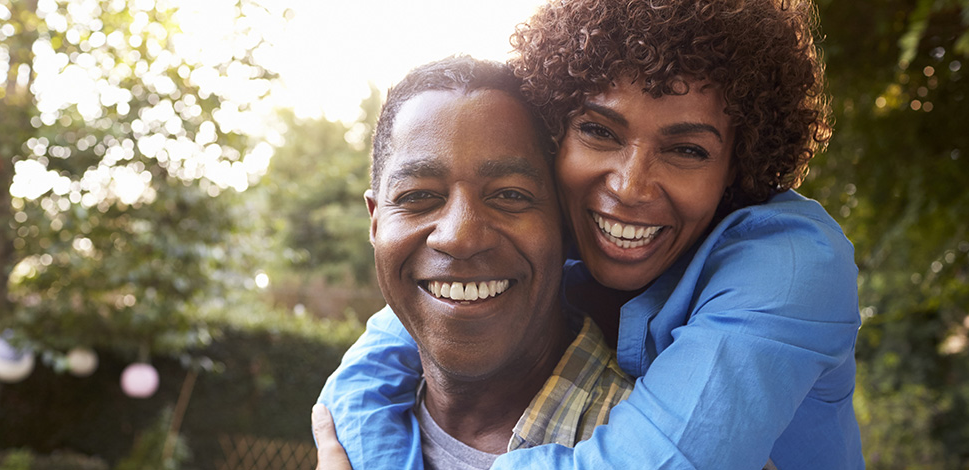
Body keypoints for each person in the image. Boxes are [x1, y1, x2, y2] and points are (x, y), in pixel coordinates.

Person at [316, 0, 863, 469]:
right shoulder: (570, 226)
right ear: (558, 137)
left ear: (738, 167)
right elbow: (388, 349)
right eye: (599, 131)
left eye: (687, 150)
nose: (628, 187)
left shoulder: (792, 264)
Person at [324, 55, 635, 468]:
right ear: (376, 223)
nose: (460, 237)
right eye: (418, 196)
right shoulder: (343, 432)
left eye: (510, 195)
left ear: (564, 223)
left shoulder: (659, 444)